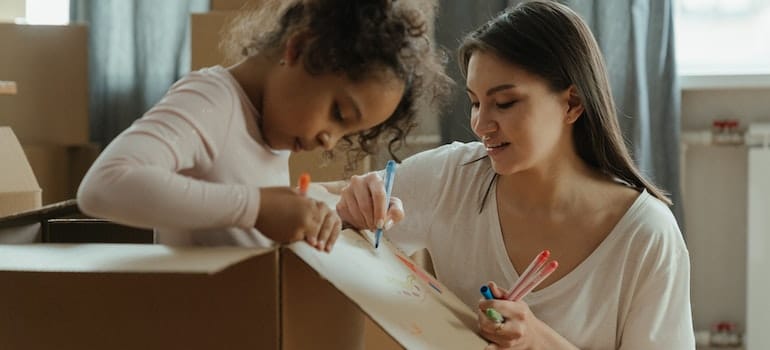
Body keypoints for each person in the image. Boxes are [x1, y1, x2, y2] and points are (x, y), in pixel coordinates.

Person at [334, 1, 695, 349]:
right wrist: (354, 203)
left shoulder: (646, 235)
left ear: (572, 103)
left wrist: (536, 340)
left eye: (505, 103)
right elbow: (315, 209)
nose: (480, 124)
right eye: (475, 102)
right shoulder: (453, 178)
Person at [77, 0, 450, 251]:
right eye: (338, 113)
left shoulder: (266, 129)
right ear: (300, 48)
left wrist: (339, 215)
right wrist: (255, 206)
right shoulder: (213, 101)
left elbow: (236, 221)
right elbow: (103, 186)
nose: (328, 140)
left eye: (345, 134)